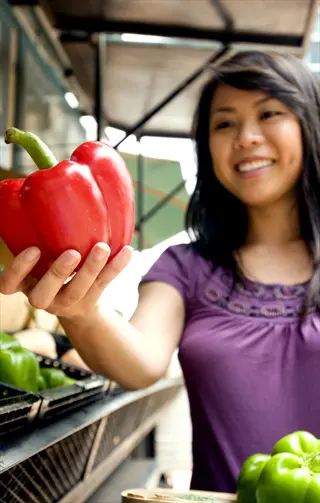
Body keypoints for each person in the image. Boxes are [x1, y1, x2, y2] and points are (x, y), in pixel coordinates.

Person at [1, 50, 320, 494]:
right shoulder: (186, 267)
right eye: (224, 123)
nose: (246, 137)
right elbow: (142, 363)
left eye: (269, 113)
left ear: (310, 125)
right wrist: (81, 312)